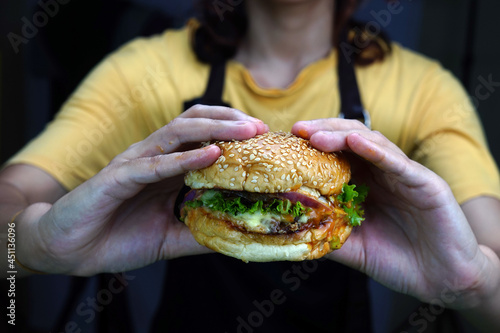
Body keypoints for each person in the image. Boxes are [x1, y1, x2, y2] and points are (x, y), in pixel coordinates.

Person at [2, 0, 500, 331]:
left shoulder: (423, 89)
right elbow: (12, 202)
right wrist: (30, 247)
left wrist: (474, 283)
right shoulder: (143, 69)